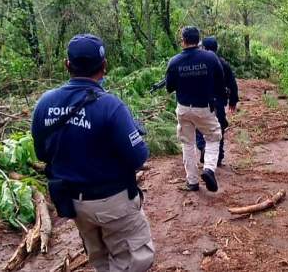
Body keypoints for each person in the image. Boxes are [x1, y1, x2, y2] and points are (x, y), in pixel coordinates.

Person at [31, 34, 154, 272]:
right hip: (114, 202)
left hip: (74, 202)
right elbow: (139, 157)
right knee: (132, 260)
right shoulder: (110, 106)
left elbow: (42, 153)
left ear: (67, 65)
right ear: (104, 66)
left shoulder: (44, 103)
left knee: (99, 258)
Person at [165, 26, 226, 192]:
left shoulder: (175, 61)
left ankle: (192, 181)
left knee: (187, 143)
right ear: (199, 40)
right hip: (204, 108)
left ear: (183, 41)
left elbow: (169, 87)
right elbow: (220, 82)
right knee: (213, 137)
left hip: (184, 108)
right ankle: (208, 169)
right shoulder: (211, 58)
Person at [196, 36, 239, 167]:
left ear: (204, 48)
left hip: (201, 101)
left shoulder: (199, 64)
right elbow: (232, 84)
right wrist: (233, 101)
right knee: (218, 127)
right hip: (218, 102)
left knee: (199, 127)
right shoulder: (223, 63)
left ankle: (203, 146)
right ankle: (218, 156)